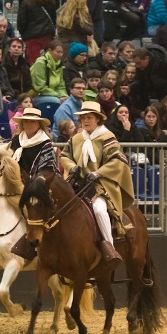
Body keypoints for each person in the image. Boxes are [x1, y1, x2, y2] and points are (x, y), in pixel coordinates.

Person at [60, 101, 133, 269]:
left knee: (99, 209)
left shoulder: (107, 137)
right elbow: (64, 156)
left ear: (98, 119)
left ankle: (110, 248)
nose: (85, 121)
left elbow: (118, 160)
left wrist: (99, 173)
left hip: (101, 184)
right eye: (83, 118)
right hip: (78, 183)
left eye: (89, 118)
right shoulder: (76, 138)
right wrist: (72, 167)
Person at [131, 45, 167, 110]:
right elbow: (139, 80)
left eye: (139, 63)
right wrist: (130, 87)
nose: (137, 66)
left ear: (147, 58)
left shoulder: (166, 59)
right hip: (156, 93)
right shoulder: (140, 66)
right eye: (136, 63)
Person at [10, 106, 58, 180]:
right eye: (26, 121)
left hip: (38, 182)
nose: (29, 124)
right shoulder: (16, 139)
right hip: (15, 179)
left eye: (33, 121)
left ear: (39, 124)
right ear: (22, 123)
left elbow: (48, 168)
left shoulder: (45, 142)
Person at [16, 0, 56, 65]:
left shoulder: (27, 1)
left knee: (34, 63)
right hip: (47, 36)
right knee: (48, 62)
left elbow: (21, 21)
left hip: (32, 38)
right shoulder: (50, 0)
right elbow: (54, 18)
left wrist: (23, 33)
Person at [30, 40, 67, 105]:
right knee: (56, 101)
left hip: (53, 94)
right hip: (35, 95)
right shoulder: (40, 63)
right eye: (58, 52)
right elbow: (40, 87)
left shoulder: (60, 65)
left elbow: (61, 86)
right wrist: (58, 96)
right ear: (50, 51)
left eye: (62, 52)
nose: (60, 55)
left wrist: (64, 95)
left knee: (69, 100)